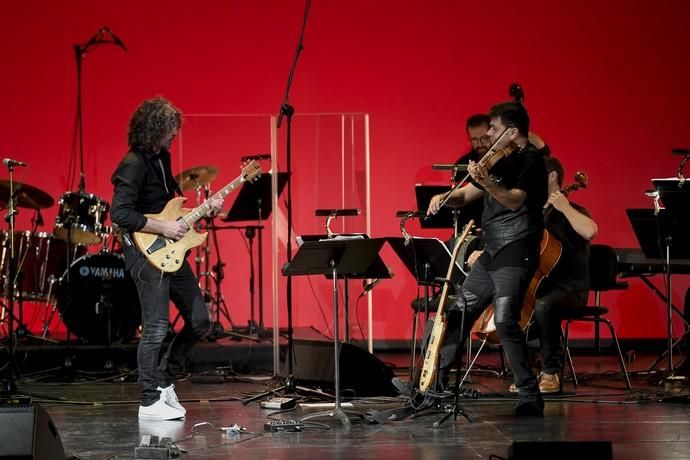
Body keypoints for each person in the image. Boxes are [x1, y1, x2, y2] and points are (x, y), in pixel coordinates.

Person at [427, 100, 548, 416]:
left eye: (493, 128)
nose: (488, 133)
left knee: (507, 321)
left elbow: (513, 200)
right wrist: (445, 197)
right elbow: (467, 195)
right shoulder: (497, 161)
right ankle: (434, 389)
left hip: (516, 249)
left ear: (511, 131)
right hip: (492, 252)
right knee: (457, 313)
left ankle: (530, 396)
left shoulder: (531, 162)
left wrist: (487, 182)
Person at [110, 97, 223, 420]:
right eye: (171, 129)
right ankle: (148, 402)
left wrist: (202, 211)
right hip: (144, 253)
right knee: (157, 327)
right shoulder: (132, 163)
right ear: (155, 128)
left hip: (168, 249)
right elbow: (119, 213)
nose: (175, 135)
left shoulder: (162, 157)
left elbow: (167, 206)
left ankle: (164, 380)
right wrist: (163, 227)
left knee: (201, 320)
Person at [518, 156, 597, 393]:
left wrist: (564, 206)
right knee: (512, 303)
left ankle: (551, 372)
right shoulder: (533, 213)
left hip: (570, 290)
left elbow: (591, 230)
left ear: (552, 176)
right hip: (540, 286)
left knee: (544, 306)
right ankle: (524, 372)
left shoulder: (574, 211)